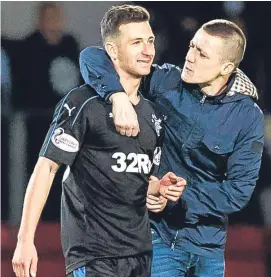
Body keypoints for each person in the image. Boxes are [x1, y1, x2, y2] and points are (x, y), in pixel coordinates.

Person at [79, 15, 264, 277]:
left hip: (208, 248)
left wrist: (178, 196)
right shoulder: (166, 81)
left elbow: (238, 192)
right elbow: (91, 57)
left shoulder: (248, 116)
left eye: (202, 54)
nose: (190, 57)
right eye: (192, 47)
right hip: (159, 238)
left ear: (225, 68)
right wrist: (116, 96)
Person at [12, 5, 187, 277]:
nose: (147, 50)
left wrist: (159, 188)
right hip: (94, 256)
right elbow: (46, 168)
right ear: (113, 51)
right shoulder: (83, 102)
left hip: (140, 257)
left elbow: (136, 177)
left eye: (150, 40)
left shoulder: (153, 114)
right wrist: (24, 240)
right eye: (136, 42)